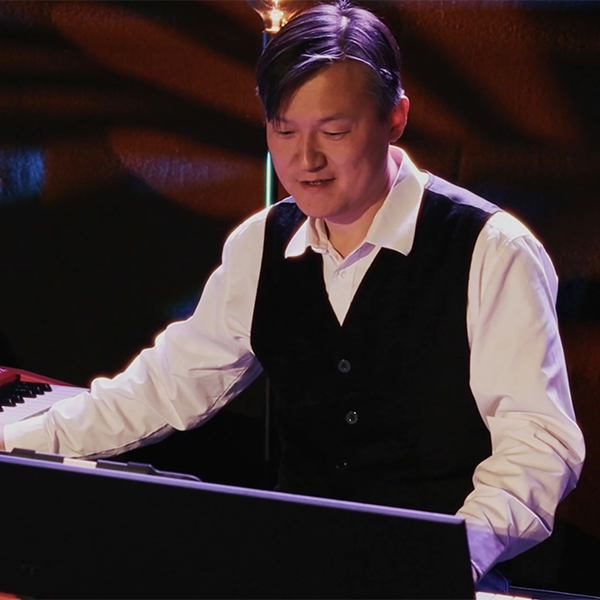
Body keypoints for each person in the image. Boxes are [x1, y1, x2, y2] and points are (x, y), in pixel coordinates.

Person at [0, 0, 584, 592]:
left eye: (334, 132)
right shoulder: (262, 243)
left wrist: (446, 556)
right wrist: (11, 443)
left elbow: (538, 447)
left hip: (448, 575)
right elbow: (163, 388)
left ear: (395, 118)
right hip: (295, 565)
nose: (306, 160)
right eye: (284, 131)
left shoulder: (492, 249)